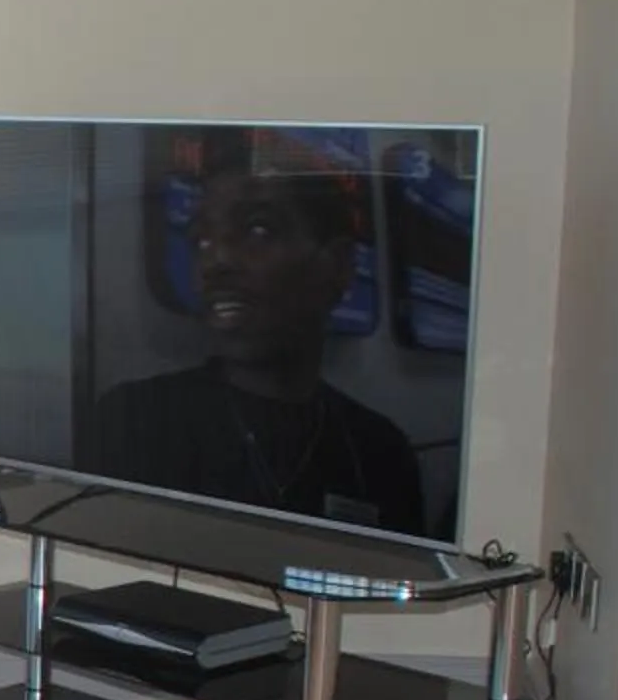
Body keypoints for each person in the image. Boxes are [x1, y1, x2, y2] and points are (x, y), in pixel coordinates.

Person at [83, 166, 428, 537]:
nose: (217, 261)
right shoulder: (131, 421)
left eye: (258, 231)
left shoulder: (380, 454)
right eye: (201, 240)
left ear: (338, 265)